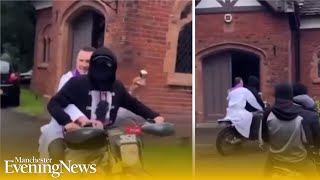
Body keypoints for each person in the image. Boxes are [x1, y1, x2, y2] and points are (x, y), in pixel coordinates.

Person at [38, 47, 96, 163]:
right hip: (62, 126)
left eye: (88, 61)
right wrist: (82, 119)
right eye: (81, 60)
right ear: (76, 61)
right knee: (57, 153)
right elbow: (66, 105)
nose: (83, 65)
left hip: (91, 128)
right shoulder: (67, 78)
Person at [261, 83, 318, 177]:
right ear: (291, 95)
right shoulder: (308, 116)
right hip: (300, 164)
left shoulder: (267, 114)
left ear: (276, 95)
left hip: (275, 163)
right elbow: (316, 143)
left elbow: (265, 138)